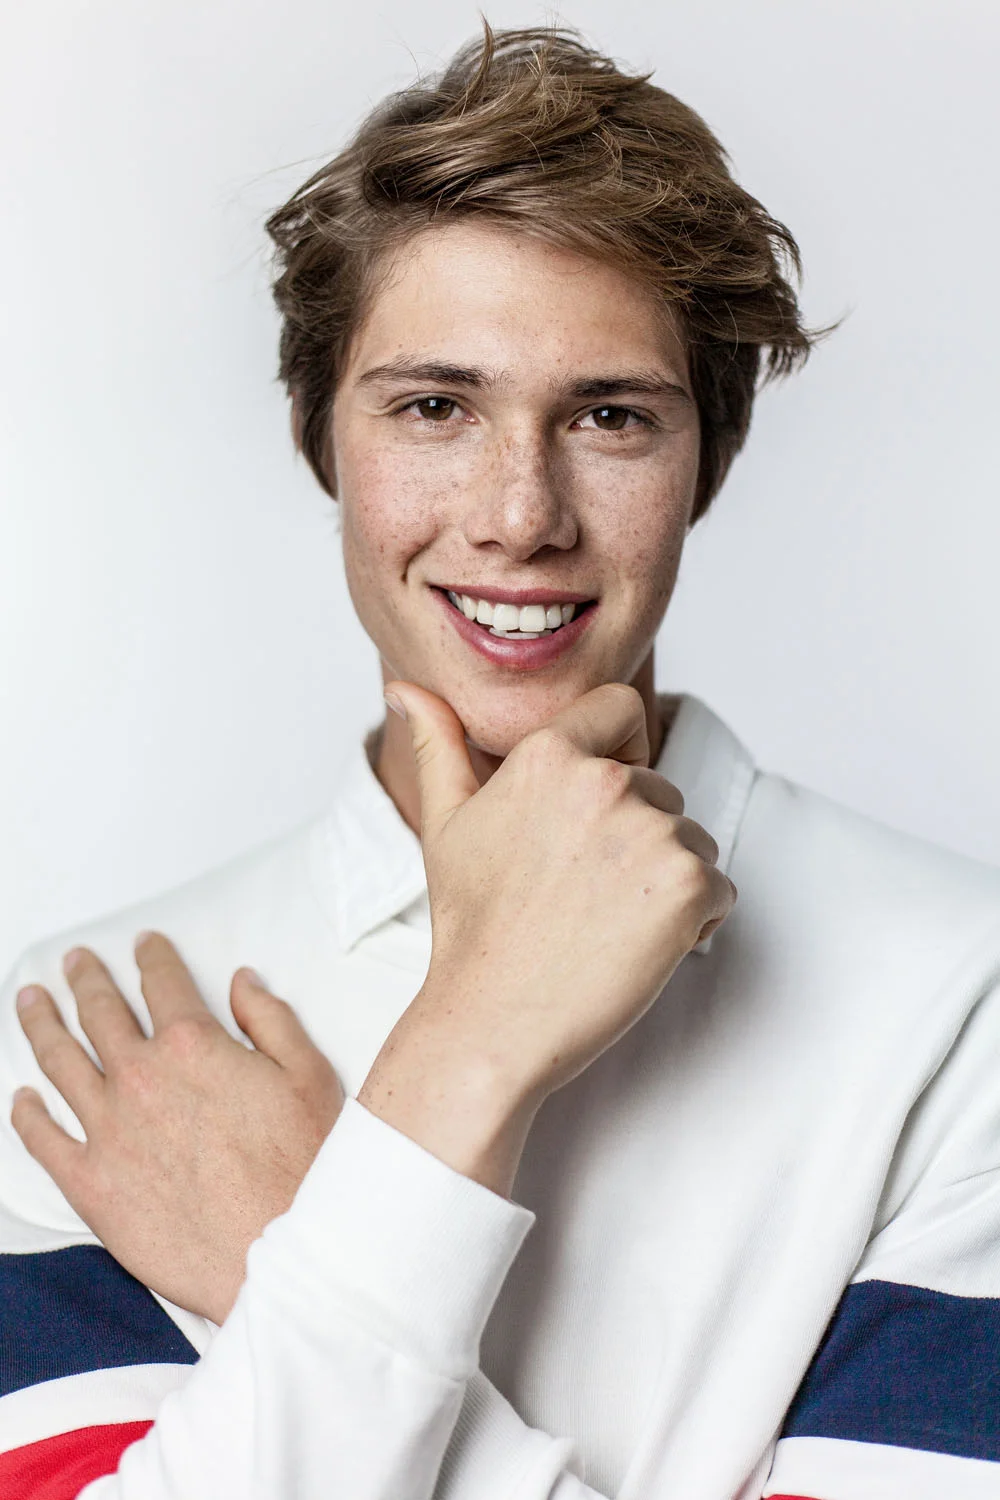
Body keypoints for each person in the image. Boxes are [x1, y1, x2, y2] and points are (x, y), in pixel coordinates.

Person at [1, 23, 998, 1500]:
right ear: (320, 439)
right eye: (434, 407)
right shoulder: (104, 1044)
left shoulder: (964, 995)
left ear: (707, 462)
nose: (521, 515)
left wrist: (305, 1249)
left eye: (610, 416)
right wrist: (466, 1050)